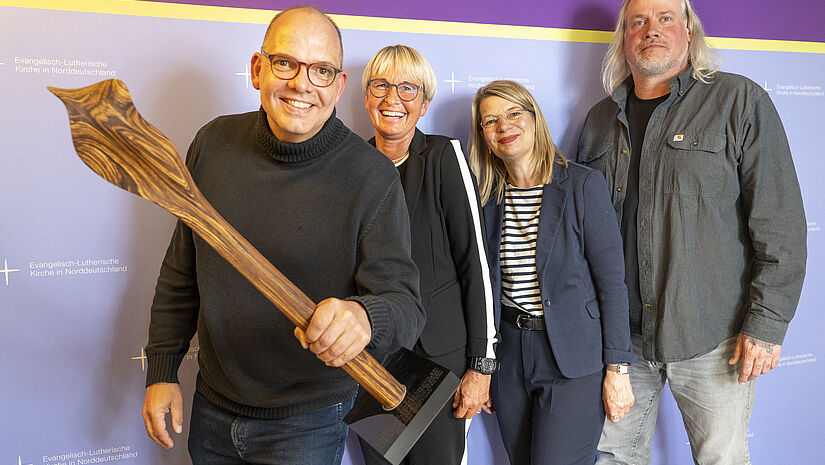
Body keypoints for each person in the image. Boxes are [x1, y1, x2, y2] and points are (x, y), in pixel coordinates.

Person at [140, 6, 425, 465]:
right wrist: (162, 370)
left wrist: (365, 317)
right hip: (212, 406)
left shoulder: (372, 176)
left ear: (338, 85)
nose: (301, 84)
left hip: (308, 423)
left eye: (322, 70)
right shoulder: (211, 144)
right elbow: (182, 269)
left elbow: (406, 305)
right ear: (258, 69)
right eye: (285, 63)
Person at [577, 0, 807, 463]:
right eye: (638, 21)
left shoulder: (738, 101)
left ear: (689, 31)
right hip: (623, 343)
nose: (651, 30)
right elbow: (584, 234)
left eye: (665, 18)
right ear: (625, 37)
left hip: (711, 335)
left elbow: (779, 222)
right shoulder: (600, 120)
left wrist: (765, 326)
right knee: (611, 459)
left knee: (721, 459)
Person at [469, 79, 636, 465]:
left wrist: (618, 368)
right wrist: (486, 366)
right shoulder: (485, 198)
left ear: (534, 118)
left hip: (572, 357)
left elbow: (612, 284)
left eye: (513, 113)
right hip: (510, 357)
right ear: (483, 135)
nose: (503, 126)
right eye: (490, 121)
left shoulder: (581, 185)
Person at [357, 44, 497, 465]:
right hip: (373, 360)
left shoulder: (442, 156)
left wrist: (481, 367)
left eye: (407, 89)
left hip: (439, 358)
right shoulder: (352, 166)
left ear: (424, 103)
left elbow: (476, 262)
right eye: (380, 86)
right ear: (366, 97)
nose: (392, 99)